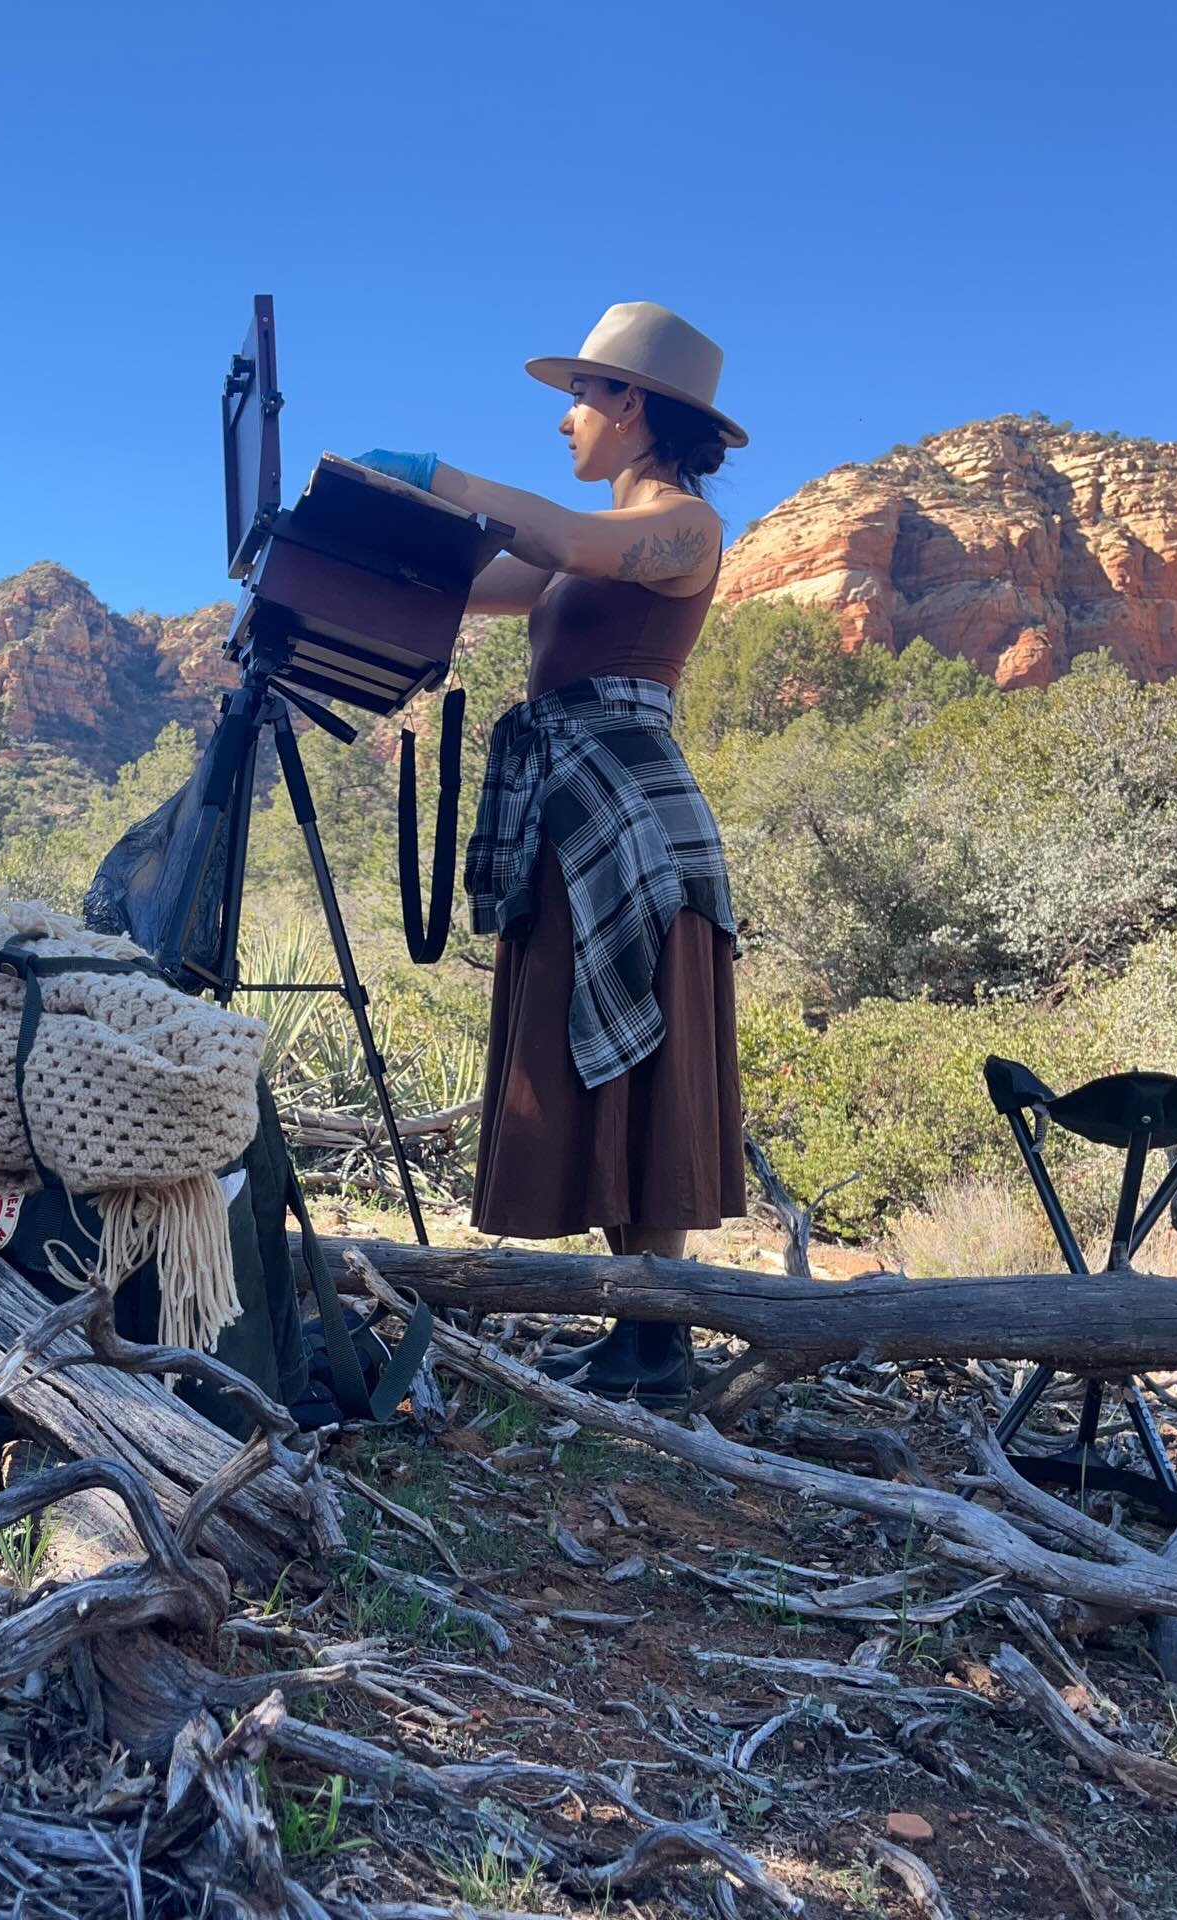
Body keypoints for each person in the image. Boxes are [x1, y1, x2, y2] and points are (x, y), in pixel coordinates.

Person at [356, 301, 746, 1406]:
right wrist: (375, 541)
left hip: (632, 821)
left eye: (581, 396)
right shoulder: (593, 550)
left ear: (633, 406)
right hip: (580, 814)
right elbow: (481, 586)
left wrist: (440, 474)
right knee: (608, 1066)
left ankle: (663, 1340)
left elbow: (567, 540)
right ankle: (638, 1333)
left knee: (643, 1071)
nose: (567, 419)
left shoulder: (678, 526)